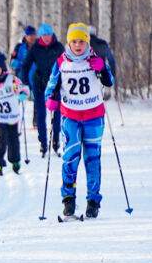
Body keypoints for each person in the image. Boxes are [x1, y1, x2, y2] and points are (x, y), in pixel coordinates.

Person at [44, 23, 114, 218]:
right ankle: (68, 200)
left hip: (94, 116)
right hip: (70, 117)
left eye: (81, 41)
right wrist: (49, 99)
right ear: (68, 42)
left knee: (92, 159)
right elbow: (51, 86)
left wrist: (103, 70)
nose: (77, 45)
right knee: (70, 158)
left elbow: (109, 82)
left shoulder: (95, 60)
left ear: (87, 42)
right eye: (74, 41)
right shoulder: (61, 62)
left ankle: (93, 201)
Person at [20, 23, 64, 157]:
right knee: (40, 114)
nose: (46, 38)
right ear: (40, 36)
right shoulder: (35, 48)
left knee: (57, 113)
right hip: (39, 84)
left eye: (48, 35)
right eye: (43, 35)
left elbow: (67, 63)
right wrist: (26, 83)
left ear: (51, 35)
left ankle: (56, 140)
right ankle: (43, 143)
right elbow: (25, 66)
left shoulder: (58, 47)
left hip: (54, 84)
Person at [10, 25, 38, 128]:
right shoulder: (19, 47)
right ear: (26, 36)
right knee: (17, 100)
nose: (32, 37)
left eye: (33, 35)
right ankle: (13, 121)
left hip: (36, 77)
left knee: (37, 101)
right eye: (29, 35)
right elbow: (12, 62)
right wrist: (19, 63)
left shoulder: (39, 46)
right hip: (22, 78)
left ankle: (36, 122)